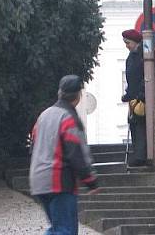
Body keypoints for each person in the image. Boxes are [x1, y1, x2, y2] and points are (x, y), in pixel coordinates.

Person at [29, 74, 99, 235]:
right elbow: (76, 153)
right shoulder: (69, 118)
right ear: (79, 95)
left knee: (58, 228)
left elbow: (33, 147)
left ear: (60, 93)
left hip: (38, 180)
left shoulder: (44, 115)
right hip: (59, 181)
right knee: (65, 230)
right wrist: (90, 181)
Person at [121, 28, 147, 167]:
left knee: (139, 124)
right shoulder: (131, 57)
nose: (126, 46)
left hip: (141, 97)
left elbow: (144, 76)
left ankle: (140, 156)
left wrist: (141, 94)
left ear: (135, 42)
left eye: (128, 42)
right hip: (133, 97)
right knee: (133, 123)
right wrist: (127, 95)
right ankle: (138, 154)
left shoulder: (142, 54)